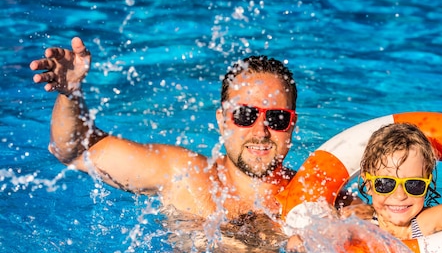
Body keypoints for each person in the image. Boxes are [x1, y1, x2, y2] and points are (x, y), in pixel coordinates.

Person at [30, 37, 298, 223]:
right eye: (245, 115)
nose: (261, 131)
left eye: (276, 118)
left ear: (292, 124)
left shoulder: (319, 198)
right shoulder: (184, 175)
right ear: (222, 120)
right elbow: (74, 151)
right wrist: (70, 94)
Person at [286, 122, 442, 253]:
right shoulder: (358, 219)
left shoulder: (425, 222)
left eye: (413, 185)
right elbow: (321, 232)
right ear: (369, 185)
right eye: (386, 184)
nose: (400, 195)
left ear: (427, 185)